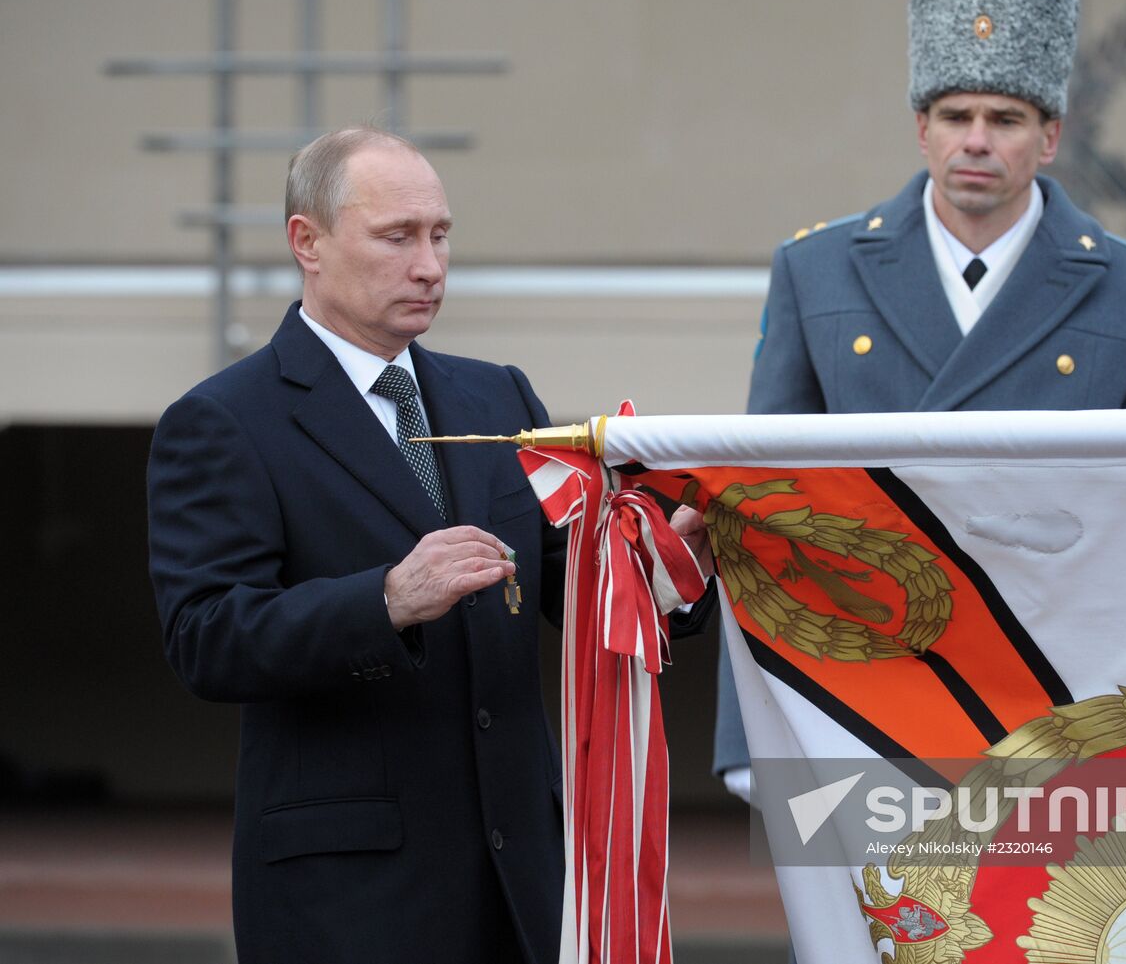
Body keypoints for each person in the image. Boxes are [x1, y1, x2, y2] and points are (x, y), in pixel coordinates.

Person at [148, 127, 707, 964]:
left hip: (521, 877)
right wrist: (385, 601)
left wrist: (672, 566)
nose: (431, 265)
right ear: (307, 241)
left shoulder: (497, 392)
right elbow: (208, 636)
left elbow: (574, 584)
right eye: (397, 236)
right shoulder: (225, 420)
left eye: (440, 234)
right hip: (351, 893)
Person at [714, 0, 1126, 802]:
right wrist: (750, 729)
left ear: (1050, 136)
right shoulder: (817, 271)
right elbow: (763, 506)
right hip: (862, 691)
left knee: (1051, 931)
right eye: (955, 116)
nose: (976, 141)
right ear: (921, 128)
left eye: (1006, 119)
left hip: (1061, 700)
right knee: (863, 934)